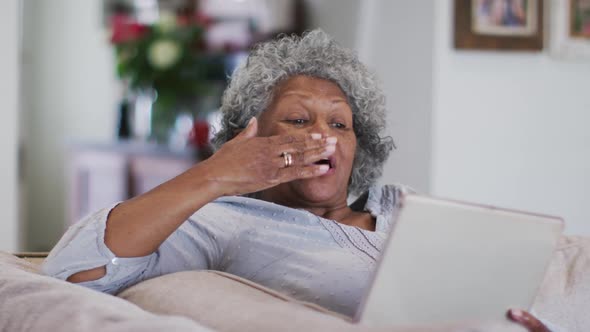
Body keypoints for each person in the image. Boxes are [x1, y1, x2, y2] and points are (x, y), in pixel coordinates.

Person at [43, 30, 552, 332]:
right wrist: (216, 174)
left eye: (338, 124)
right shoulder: (225, 219)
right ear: (251, 136)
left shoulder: (404, 206)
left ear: (360, 145)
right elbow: (75, 274)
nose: (322, 138)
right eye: (297, 120)